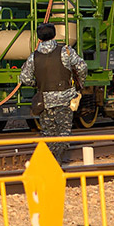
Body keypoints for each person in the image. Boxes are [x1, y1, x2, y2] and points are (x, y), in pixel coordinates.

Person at [18, 22, 87, 163]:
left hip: (44, 100)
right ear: (54, 34)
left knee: (48, 133)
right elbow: (82, 67)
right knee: (64, 131)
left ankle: (51, 160)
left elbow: (24, 78)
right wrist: (80, 83)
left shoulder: (34, 56)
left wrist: (36, 84)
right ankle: (58, 159)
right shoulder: (66, 51)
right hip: (65, 99)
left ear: (39, 37)